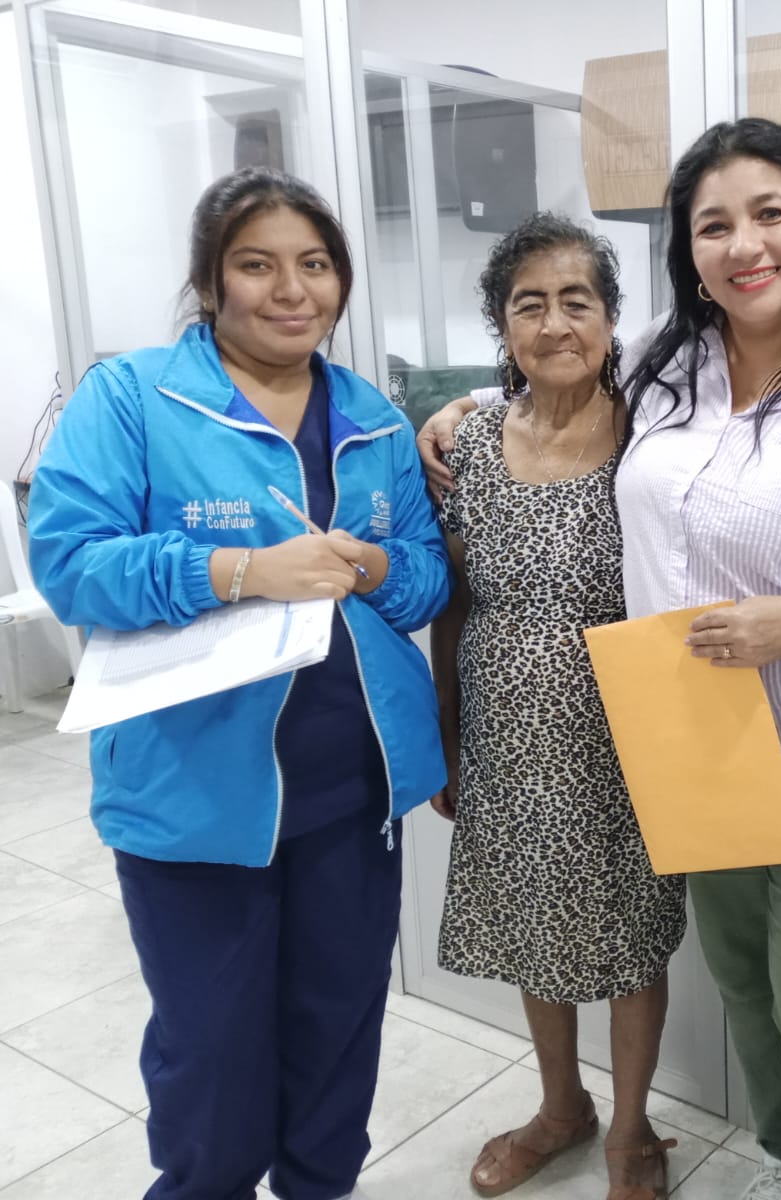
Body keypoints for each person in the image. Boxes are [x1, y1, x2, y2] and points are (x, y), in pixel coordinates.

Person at [419, 117, 781, 1200]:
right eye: (713, 225)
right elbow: (561, 375)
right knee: (747, 993)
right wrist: (469, 405)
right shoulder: (673, 363)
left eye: (770, 214)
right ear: (688, 249)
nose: (743, 245)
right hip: (695, 740)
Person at [27, 167, 450, 1200]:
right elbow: (69, 562)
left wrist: (377, 567)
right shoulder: (132, 398)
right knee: (212, 1064)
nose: (291, 290)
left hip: (351, 794)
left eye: (315, 265)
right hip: (193, 798)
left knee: (337, 1040)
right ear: (211, 280)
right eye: (257, 265)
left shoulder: (372, 416)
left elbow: (427, 576)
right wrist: (239, 571)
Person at [428, 212, 686, 1200]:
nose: (554, 323)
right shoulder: (471, 441)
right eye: (528, 305)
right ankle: (560, 1107)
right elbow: (454, 596)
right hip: (506, 733)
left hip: (625, 734)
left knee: (629, 938)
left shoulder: (654, 435)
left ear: (613, 319)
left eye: (576, 301)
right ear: (502, 327)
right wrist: (448, 734)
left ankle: (630, 1130)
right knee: (535, 922)